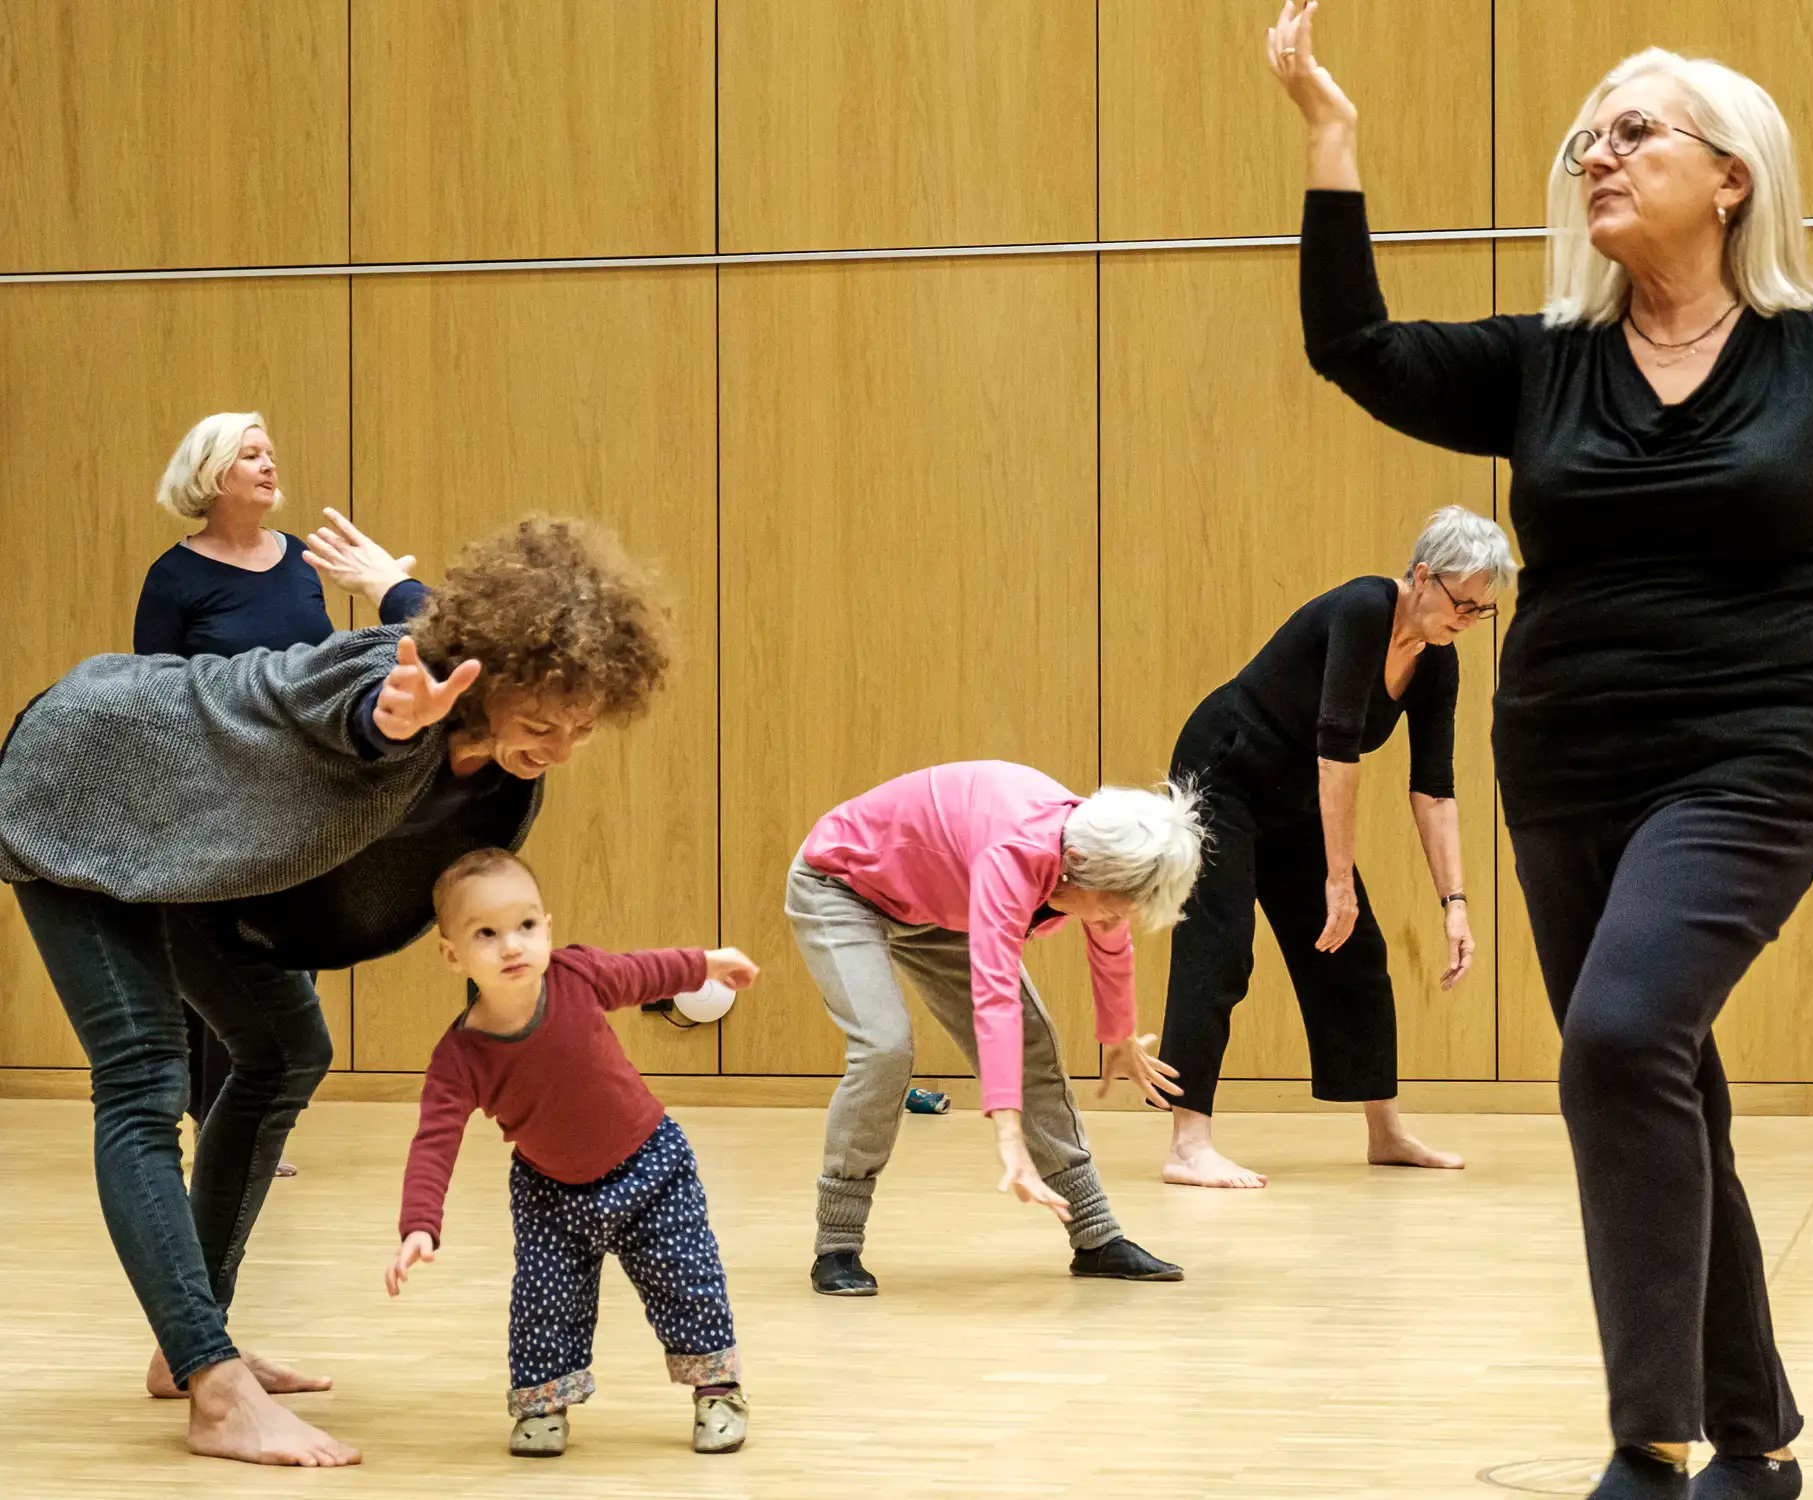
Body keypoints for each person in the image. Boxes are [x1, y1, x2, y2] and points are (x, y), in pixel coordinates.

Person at [1267, 5, 1813, 1497]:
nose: (1595, 153)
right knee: (1664, 1076)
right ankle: (1759, 1442)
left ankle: (1650, 1444)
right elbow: (1352, 345)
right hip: (1566, 769)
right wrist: (1327, 137)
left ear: (1732, 176)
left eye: (1634, 130)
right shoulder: (1547, 361)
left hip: (1752, 761)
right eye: (1584, 139)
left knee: (1616, 1042)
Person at [0, 515, 668, 1467]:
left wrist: (393, 579)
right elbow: (357, 707)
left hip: (194, 837)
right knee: (145, 1081)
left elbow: (429, 614)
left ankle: (187, 1337)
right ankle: (214, 1390)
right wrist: (390, 718)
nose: (559, 746)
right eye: (542, 723)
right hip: (86, 783)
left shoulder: (491, 696)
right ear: (490, 681)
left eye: (583, 727)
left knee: (283, 1051)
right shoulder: (391, 684)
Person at [1159, 505, 1516, 1188]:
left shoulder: (1438, 664)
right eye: (1461, 603)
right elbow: (1337, 751)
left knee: (1354, 947)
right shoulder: (1361, 610)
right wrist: (1338, 877)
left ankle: (1386, 1132)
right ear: (1421, 576)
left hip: (1295, 793)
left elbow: (1435, 788)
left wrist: (1457, 904)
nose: (1466, 621)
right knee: (1221, 943)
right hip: (1223, 769)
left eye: (1481, 613)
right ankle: (1187, 1142)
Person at [386, 849, 756, 1458]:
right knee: (542, 1302)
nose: (512, 945)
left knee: (688, 1281)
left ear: (548, 929)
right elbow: (434, 1140)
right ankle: (543, 1408)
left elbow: (643, 972)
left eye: (526, 926)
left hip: (651, 1164)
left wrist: (707, 963)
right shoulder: (460, 1057)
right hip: (550, 1192)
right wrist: (419, 1226)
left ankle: (717, 1391)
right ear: (452, 955)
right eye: (487, 933)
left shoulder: (576, 977)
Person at [135, 412, 426, 1181]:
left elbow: (323, 660)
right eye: (250, 455)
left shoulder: (300, 558)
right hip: (214, 795)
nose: (269, 464)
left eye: (270, 452)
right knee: (219, 958)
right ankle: (217, 1113)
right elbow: (155, 693)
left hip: (301, 787)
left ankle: (256, 1103)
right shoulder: (176, 576)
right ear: (211, 474)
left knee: (285, 947)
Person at [787, 761, 1203, 1295]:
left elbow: (1109, 935)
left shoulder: (1100, 848)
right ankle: (837, 1243)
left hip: (938, 903)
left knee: (1033, 1047)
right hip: (843, 886)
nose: (1112, 918)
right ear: (1073, 865)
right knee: (884, 1048)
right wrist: (1007, 1133)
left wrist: (1118, 1036)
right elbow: (995, 999)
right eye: (1110, 906)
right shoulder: (1015, 853)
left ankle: (1096, 1236)